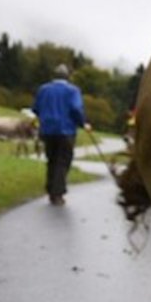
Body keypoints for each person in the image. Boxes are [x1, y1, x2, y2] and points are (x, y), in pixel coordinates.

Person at [31, 63, 87, 205]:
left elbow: (35, 108)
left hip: (47, 130)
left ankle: (50, 189)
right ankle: (57, 194)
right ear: (68, 76)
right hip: (65, 130)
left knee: (51, 160)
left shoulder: (43, 89)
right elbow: (75, 109)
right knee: (63, 161)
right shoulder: (72, 91)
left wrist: (45, 117)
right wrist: (82, 123)